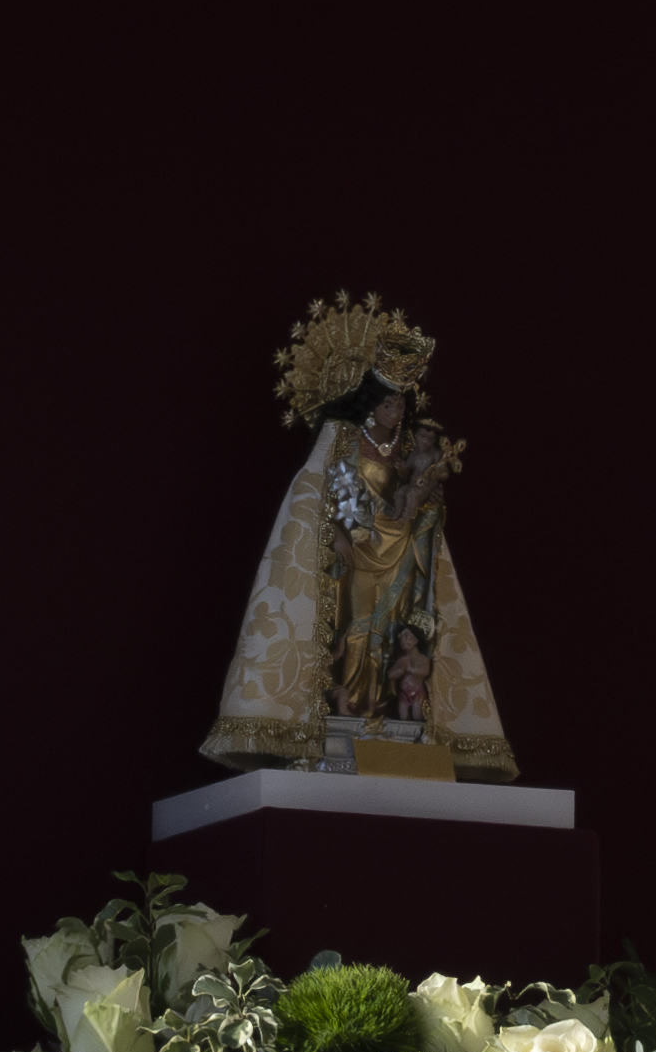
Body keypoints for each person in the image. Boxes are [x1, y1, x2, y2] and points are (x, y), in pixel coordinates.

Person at [202, 293, 519, 779]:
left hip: (399, 553)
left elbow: (421, 504)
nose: (396, 410)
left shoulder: (411, 450)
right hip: (356, 551)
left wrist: (425, 504)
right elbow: (323, 487)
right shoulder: (341, 437)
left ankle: (385, 717)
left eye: (402, 402)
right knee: (356, 628)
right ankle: (346, 712)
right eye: (389, 400)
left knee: (396, 634)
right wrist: (346, 534)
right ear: (370, 400)